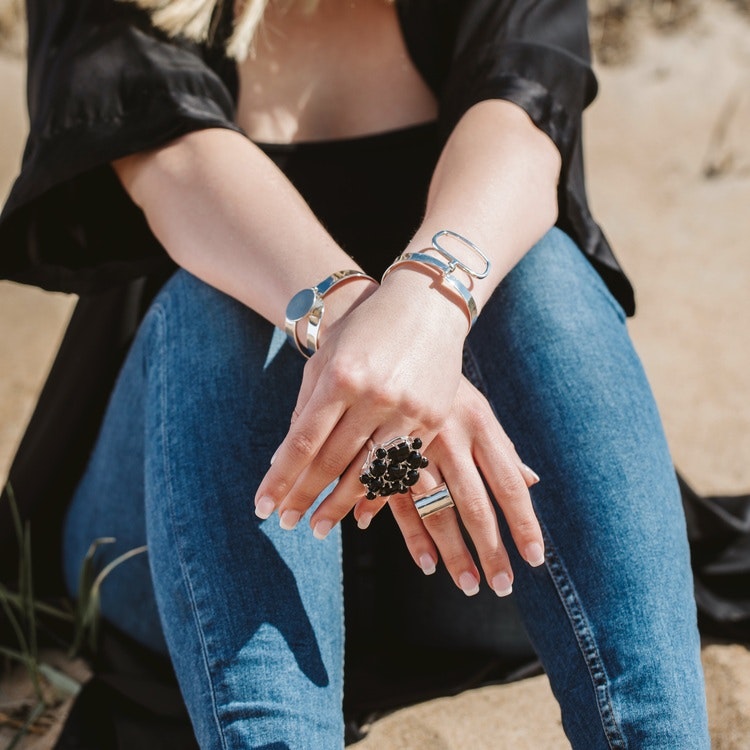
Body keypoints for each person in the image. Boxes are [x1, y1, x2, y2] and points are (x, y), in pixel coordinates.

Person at [0, 0, 711, 747]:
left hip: (469, 541)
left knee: (543, 274)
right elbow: (172, 157)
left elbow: (525, 128)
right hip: (204, 535)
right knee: (224, 306)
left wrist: (427, 310)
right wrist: (353, 337)